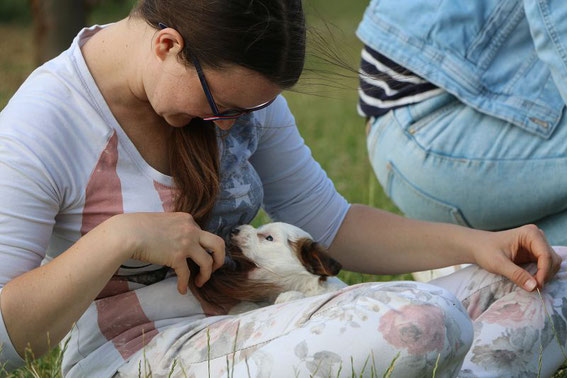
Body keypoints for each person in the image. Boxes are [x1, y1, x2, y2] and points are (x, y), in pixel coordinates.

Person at [0, 0, 565, 376]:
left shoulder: (237, 97)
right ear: (167, 46)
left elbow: (332, 224)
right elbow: (6, 339)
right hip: (145, 352)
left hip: (271, 322)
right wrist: (118, 239)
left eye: (250, 109)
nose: (230, 124)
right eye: (222, 105)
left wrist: (477, 246)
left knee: (552, 279)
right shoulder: (46, 121)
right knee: (425, 322)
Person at [356, 0, 567, 248]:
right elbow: (553, 14)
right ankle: (465, 257)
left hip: (444, 117)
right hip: (430, 123)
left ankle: (466, 258)